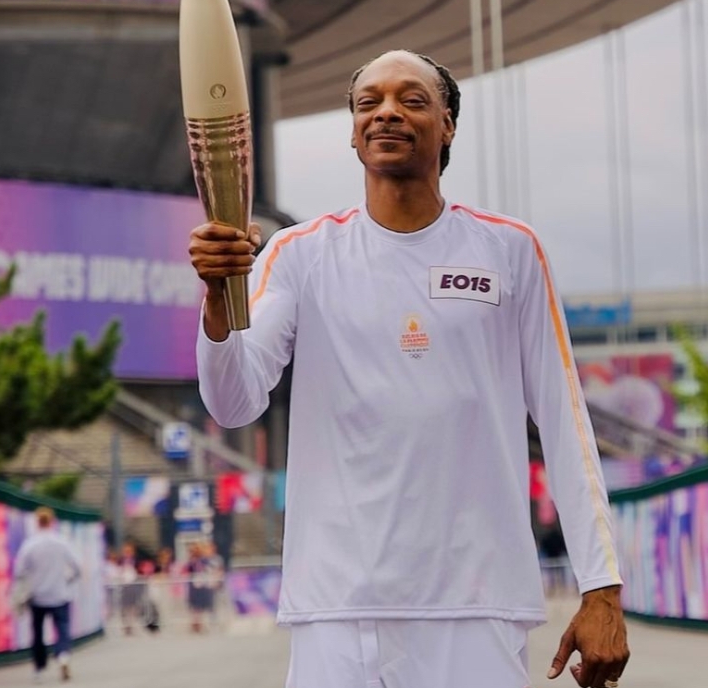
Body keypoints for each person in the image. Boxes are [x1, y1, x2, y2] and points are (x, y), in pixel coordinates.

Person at [190, 50, 630, 688]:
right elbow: (233, 403)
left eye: (411, 99)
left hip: (476, 607)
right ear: (352, 129)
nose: (387, 111)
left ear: (447, 124)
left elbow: (566, 425)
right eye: (369, 102)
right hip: (338, 609)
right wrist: (216, 299)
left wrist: (602, 589)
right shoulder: (299, 254)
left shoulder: (509, 251)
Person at [13, 507, 82, 682]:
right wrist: (67, 580)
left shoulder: (30, 544)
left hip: (37, 595)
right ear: (52, 521)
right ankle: (63, 655)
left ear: (37, 522)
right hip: (59, 593)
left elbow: (19, 570)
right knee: (62, 628)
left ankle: (39, 669)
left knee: (37, 633)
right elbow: (77, 567)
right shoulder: (61, 542)